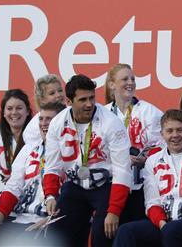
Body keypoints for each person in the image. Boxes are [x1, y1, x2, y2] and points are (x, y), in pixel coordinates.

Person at [113, 110, 182, 247]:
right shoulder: (153, 161)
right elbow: (152, 203)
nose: (175, 135)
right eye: (169, 131)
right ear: (162, 134)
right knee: (126, 231)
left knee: (172, 231)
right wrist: (163, 225)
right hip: (165, 222)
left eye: (179, 130)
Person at [43, 74, 132, 247]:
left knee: (103, 232)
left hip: (106, 184)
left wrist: (114, 211)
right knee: (57, 232)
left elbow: (123, 170)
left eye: (92, 97)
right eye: (83, 99)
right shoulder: (57, 123)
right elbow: (52, 166)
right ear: (69, 102)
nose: (89, 104)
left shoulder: (112, 123)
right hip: (76, 184)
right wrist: (50, 196)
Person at [0, 102, 65, 244]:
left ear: (60, 123)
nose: (44, 123)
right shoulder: (28, 149)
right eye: (41, 119)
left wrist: (50, 221)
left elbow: (73, 195)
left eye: (49, 119)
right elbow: (13, 187)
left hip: (50, 221)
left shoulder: (70, 152)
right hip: (20, 218)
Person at [104, 64, 165, 223]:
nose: (130, 82)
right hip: (111, 185)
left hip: (140, 186)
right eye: (125, 79)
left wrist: (146, 159)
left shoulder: (150, 112)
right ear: (112, 84)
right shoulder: (103, 114)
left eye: (132, 79)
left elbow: (164, 146)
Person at [0, 89, 31, 183]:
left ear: (28, 111)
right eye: (9, 108)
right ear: (4, 113)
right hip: (10, 193)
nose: (14, 112)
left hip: (34, 192)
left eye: (19, 108)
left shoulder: (37, 137)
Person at [22, 74, 67, 147]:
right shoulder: (32, 129)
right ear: (42, 99)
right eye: (52, 93)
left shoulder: (72, 112)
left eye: (60, 90)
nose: (58, 95)